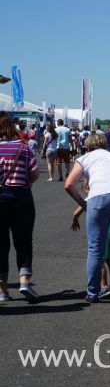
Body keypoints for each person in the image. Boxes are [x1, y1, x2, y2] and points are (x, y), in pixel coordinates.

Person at [65, 133, 110, 303]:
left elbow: (69, 184)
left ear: (87, 147)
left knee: (95, 248)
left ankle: (93, 292)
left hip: (100, 196)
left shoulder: (85, 158)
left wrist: (84, 203)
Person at [0, 111, 40, 302]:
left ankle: (2, 291)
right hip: (22, 197)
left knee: (1, 244)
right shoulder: (24, 148)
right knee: (23, 240)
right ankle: (24, 281)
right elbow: (34, 174)